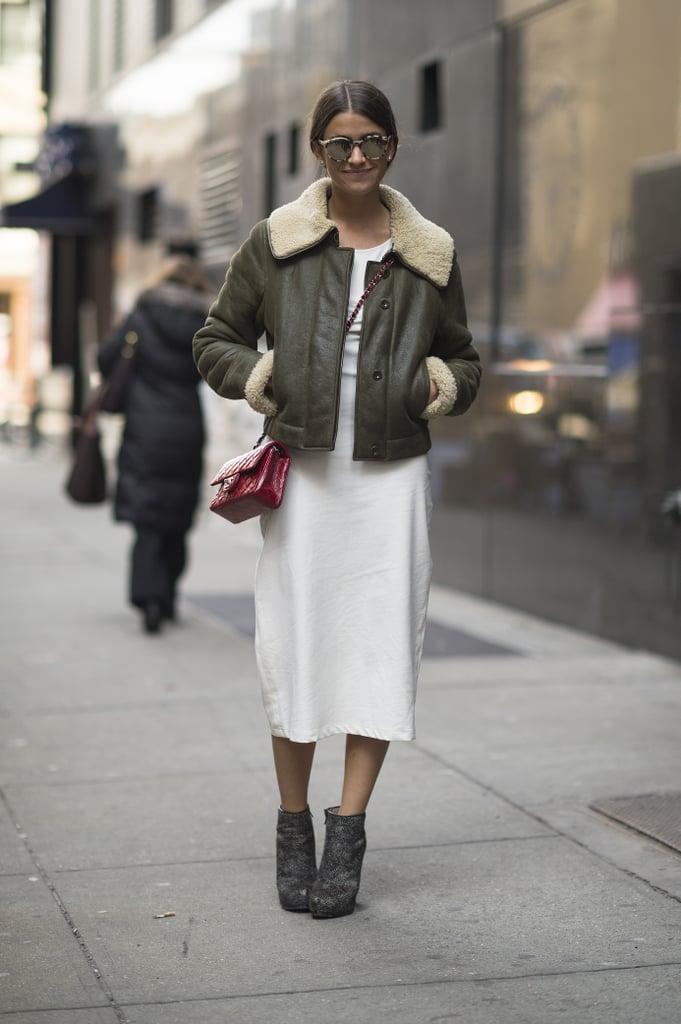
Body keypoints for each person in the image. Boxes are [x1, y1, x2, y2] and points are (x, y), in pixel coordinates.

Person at [193, 80, 481, 917]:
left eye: (372, 143)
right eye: (339, 144)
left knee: (377, 647)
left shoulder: (428, 250)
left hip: (389, 481)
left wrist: (435, 384)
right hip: (305, 479)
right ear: (316, 150)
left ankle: (347, 829)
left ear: (393, 147)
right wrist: (256, 376)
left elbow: (464, 359)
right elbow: (215, 336)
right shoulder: (278, 241)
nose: (356, 158)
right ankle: (292, 824)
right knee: (298, 645)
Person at [99, 251, 213, 634]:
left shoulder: (141, 315)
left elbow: (105, 359)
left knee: (147, 517)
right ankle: (166, 596)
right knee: (177, 517)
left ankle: (146, 596)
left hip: (144, 428)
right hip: (186, 427)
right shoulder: (205, 323)